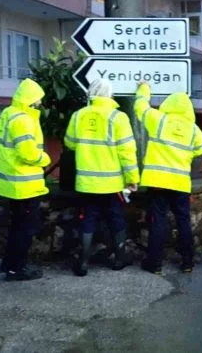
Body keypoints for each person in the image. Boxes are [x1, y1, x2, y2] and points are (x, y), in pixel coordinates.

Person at [65, 79, 139, 277]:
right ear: (110, 94)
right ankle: (119, 259)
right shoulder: (118, 117)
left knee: (87, 219)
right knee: (116, 219)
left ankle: (82, 262)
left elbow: (70, 143)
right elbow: (127, 152)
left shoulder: (78, 115)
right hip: (112, 184)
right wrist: (132, 178)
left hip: (86, 183)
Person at [134, 81, 202, 274]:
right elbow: (200, 150)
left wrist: (143, 88)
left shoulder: (159, 120)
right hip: (180, 182)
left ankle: (154, 264)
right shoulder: (195, 131)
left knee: (158, 220)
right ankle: (187, 263)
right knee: (183, 221)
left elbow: (140, 106)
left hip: (157, 181)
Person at [0, 78, 52, 282]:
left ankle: (9, 264)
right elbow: (27, 152)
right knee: (25, 229)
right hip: (23, 184)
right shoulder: (23, 119)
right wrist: (45, 158)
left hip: (10, 183)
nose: (40, 104)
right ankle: (17, 269)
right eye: (39, 100)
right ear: (31, 100)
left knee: (17, 226)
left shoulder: (8, 114)